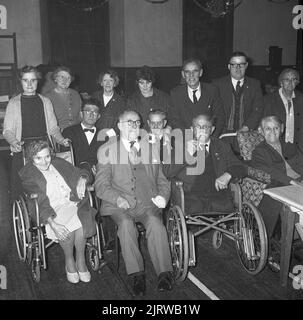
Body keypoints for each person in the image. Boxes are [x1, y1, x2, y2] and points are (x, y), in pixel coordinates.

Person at [95, 110, 173, 296]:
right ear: (120, 125)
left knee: (156, 224)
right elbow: (100, 185)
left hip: (147, 202)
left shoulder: (150, 147)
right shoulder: (107, 150)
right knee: (126, 225)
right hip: (120, 204)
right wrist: (117, 198)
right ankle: (137, 274)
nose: (135, 126)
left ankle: (165, 273)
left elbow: (162, 180)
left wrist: (163, 196)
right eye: (130, 123)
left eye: (138, 123)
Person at [19, 140, 96, 283]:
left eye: (47, 156)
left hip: (72, 202)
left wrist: (82, 179)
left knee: (82, 221)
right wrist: (53, 224)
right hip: (50, 210)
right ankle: (69, 260)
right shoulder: (28, 174)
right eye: (38, 158)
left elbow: (83, 172)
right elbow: (40, 202)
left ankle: (80, 259)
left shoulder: (58, 163)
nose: (44, 162)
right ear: (31, 158)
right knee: (66, 228)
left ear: (51, 154)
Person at [3, 65, 69, 202]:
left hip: (43, 149)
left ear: (38, 82)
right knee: (23, 190)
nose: (29, 84)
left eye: (33, 80)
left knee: (50, 186)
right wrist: (14, 142)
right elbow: (7, 131)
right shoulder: (14, 103)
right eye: (25, 80)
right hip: (22, 149)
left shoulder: (45, 102)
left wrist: (61, 140)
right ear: (20, 82)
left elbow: (53, 128)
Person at [164, 114, 247, 214]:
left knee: (227, 207)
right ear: (191, 129)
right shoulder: (182, 146)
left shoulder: (221, 146)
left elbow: (240, 167)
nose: (202, 130)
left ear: (212, 129)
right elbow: (167, 172)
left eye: (206, 127)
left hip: (218, 194)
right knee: (196, 208)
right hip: (190, 196)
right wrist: (187, 154)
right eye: (198, 127)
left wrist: (227, 175)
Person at [251, 116, 303, 261]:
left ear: (281, 128)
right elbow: (270, 172)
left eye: (275, 128)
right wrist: (293, 182)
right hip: (282, 185)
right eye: (268, 128)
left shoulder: (290, 146)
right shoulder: (259, 151)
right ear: (261, 131)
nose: (272, 131)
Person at [170, 58, 225, 137]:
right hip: (185, 140)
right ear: (183, 74)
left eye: (195, 71)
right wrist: (188, 139)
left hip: (209, 140)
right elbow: (175, 120)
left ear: (200, 73)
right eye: (187, 72)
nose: (191, 75)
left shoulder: (212, 90)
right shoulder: (175, 93)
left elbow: (219, 117)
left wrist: (210, 139)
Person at [213, 52, 264, 133]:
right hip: (221, 134)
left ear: (246, 65)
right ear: (229, 66)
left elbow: (258, 110)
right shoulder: (217, 85)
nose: (238, 68)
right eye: (234, 65)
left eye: (241, 64)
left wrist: (247, 127)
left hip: (246, 133)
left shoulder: (255, 85)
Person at [263, 68, 303, 153]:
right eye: (287, 79)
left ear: (297, 82)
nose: (290, 82)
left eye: (294, 79)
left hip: (297, 148)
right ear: (281, 82)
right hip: (275, 148)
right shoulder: (269, 100)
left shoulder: (301, 99)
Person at [62, 98, 103, 175]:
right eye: (88, 111)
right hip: (74, 175)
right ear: (81, 114)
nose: (91, 115)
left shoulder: (104, 136)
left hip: (98, 177)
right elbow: (65, 161)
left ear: (99, 116)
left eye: (95, 112)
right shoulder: (68, 132)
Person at [127, 65, 172, 131]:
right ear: (137, 83)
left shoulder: (164, 97)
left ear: (152, 82)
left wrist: (169, 128)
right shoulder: (132, 100)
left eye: (148, 82)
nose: (145, 86)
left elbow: (172, 117)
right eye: (141, 83)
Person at [45, 66, 82, 130]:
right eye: (62, 77)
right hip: (58, 133)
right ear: (55, 79)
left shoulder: (75, 94)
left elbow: (81, 115)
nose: (65, 80)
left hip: (76, 131)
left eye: (68, 78)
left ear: (71, 81)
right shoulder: (47, 97)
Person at [92, 69, 126, 136]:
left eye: (111, 80)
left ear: (115, 83)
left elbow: (123, 121)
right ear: (101, 83)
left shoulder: (121, 101)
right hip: (94, 135)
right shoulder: (94, 97)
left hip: (112, 137)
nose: (107, 83)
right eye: (105, 80)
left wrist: (110, 133)